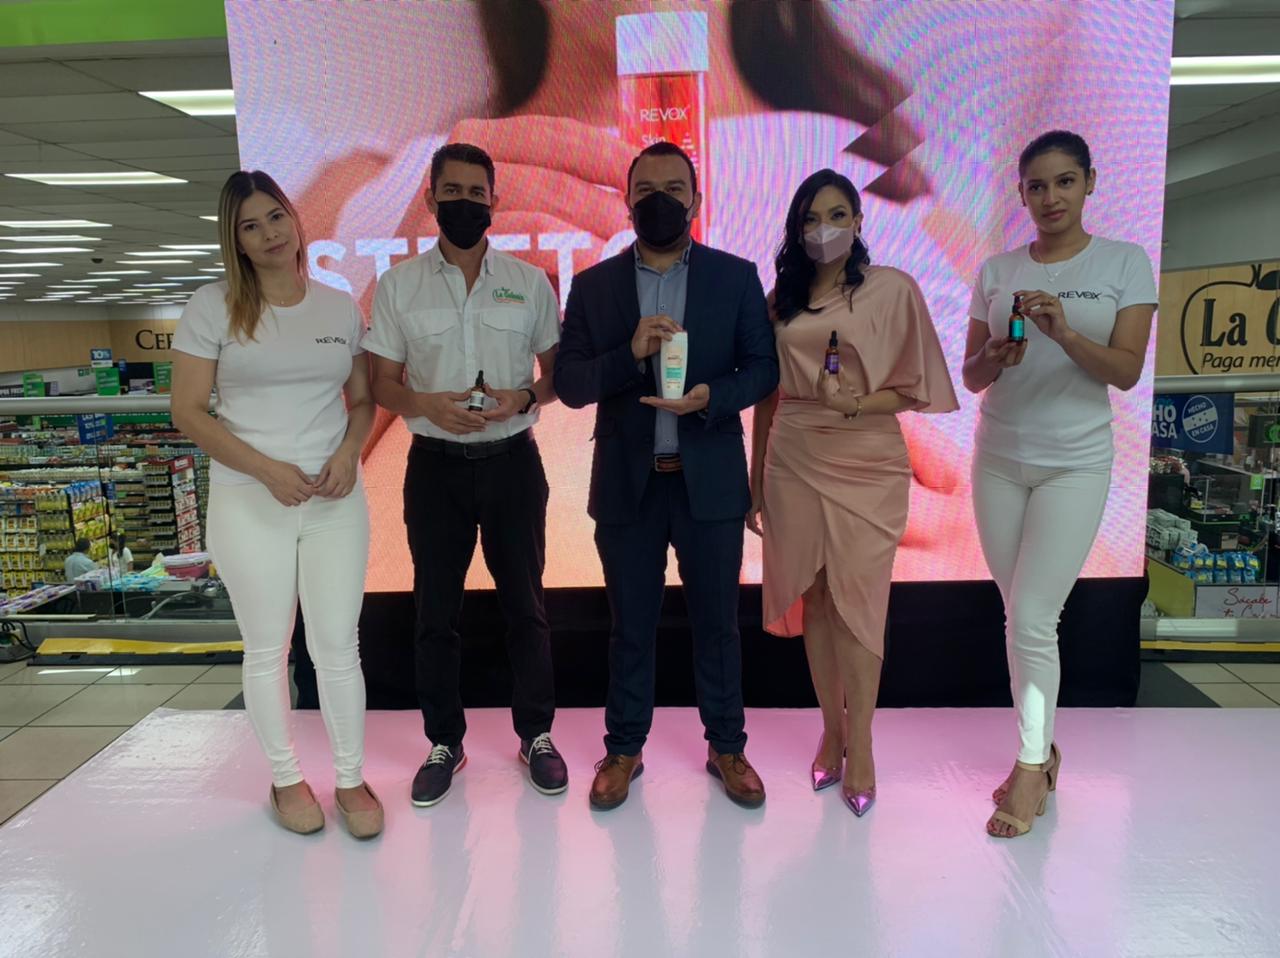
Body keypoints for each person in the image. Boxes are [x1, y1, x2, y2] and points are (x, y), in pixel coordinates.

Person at [555, 141, 780, 811]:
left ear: (696, 200)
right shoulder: (594, 286)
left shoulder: (735, 277)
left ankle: (727, 746)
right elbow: (570, 384)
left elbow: (762, 369)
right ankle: (624, 748)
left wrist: (714, 397)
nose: (660, 200)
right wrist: (629, 355)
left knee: (718, 626)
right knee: (630, 625)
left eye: (674, 188)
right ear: (627, 202)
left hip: (708, 479)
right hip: (629, 486)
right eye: (646, 189)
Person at [171, 170, 382, 839]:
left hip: (334, 498)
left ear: (294, 219)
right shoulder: (213, 307)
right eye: (250, 226)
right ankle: (287, 779)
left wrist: (349, 453)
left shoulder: (338, 306)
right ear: (234, 240)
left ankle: (350, 779)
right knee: (268, 647)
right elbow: (187, 411)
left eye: (275, 217)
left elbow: (363, 400)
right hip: (249, 498)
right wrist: (265, 470)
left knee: (338, 645)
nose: (268, 234)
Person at [962, 131, 1156, 839]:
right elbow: (971, 376)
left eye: (1065, 182)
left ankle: (1030, 764)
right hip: (997, 459)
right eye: (1037, 186)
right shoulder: (996, 269)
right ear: (1021, 194)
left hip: (1076, 463)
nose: (1051, 198)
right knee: (1019, 615)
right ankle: (1041, 751)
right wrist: (995, 354)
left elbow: (1126, 371)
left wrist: (1066, 332)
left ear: (1090, 183)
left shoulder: (1124, 263)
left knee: (1032, 619)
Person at [749, 170, 958, 817]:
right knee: (816, 597)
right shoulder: (781, 299)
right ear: (796, 228)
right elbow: (766, 396)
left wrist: (857, 403)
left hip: (867, 458)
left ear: (859, 222)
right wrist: (755, 481)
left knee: (859, 601)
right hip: (793, 457)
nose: (823, 230)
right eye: (811, 219)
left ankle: (861, 741)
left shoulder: (892, 289)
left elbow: (915, 386)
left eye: (837, 215)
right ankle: (831, 730)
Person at [365, 142, 566, 808]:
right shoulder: (399, 286)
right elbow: (382, 383)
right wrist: (423, 404)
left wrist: (525, 396)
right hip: (435, 469)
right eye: (451, 192)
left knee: (526, 609)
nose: (464, 203)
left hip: (513, 464)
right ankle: (444, 742)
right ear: (430, 199)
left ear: (494, 201)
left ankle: (536, 734)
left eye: (476, 193)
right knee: (435, 615)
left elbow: (557, 373)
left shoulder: (529, 282)